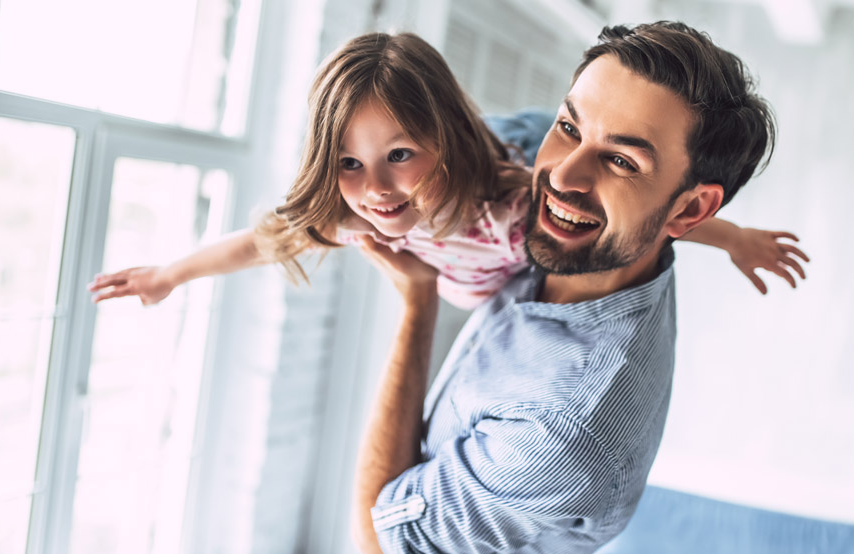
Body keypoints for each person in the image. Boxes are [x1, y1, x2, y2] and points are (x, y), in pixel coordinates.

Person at [349, 22, 792, 553]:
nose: (562, 176)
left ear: (689, 208)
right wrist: (732, 240)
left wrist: (417, 306)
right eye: (570, 127)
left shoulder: (562, 435)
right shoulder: (593, 231)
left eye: (622, 161)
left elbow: (379, 542)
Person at [87, 33, 808, 310]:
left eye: (398, 153)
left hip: (496, 167)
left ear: (436, 139)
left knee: (545, 151)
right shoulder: (353, 210)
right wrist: (169, 274)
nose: (375, 190)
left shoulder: (516, 212)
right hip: (475, 165)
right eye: (348, 164)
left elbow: (649, 212)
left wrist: (734, 236)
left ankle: (531, 128)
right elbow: (265, 241)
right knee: (525, 137)